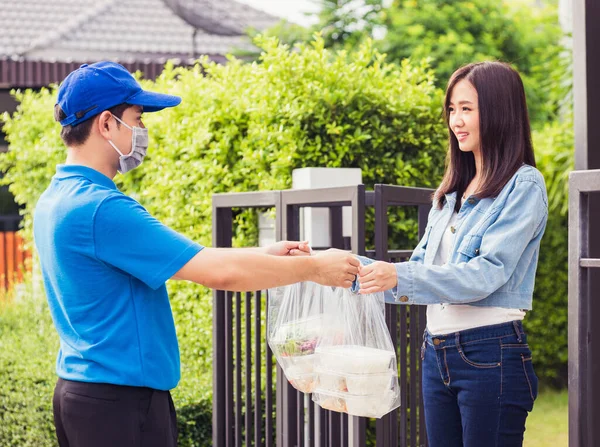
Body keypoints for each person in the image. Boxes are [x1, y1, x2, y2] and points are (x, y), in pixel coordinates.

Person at [33, 61, 361, 447]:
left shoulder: (57, 198)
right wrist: (315, 268)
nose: (143, 131)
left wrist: (266, 253)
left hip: (83, 392)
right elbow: (217, 272)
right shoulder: (102, 208)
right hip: (119, 403)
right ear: (106, 124)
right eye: (137, 118)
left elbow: (189, 256)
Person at [355, 62, 548, 446]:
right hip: (437, 351)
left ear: (499, 111)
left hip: (490, 352)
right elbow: (418, 273)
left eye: (467, 108)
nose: (455, 120)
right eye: (451, 110)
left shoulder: (523, 185)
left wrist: (399, 276)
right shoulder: (450, 195)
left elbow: (486, 274)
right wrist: (341, 267)